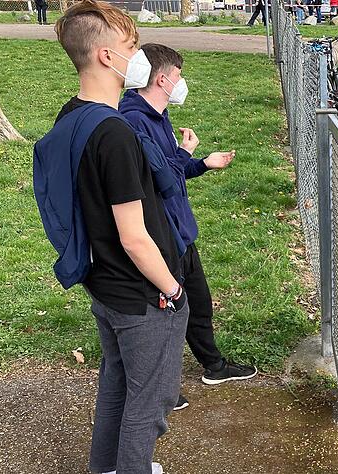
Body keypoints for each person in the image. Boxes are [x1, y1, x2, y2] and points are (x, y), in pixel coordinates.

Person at [52, 1, 187, 472]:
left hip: (102, 283)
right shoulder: (115, 134)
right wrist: (171, 289)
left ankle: (105, 468)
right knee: (149, 404)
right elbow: (135, 237)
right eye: (131, 47)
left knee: (116, 385)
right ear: (107, 56)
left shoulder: (72, 117)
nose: (139, 58)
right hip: (140, 293)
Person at [119, 43, 258, 412]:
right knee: (168, 313)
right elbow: (164, 179)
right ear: (162, 79)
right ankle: (163, 387)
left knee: (197, 301)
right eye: (179, 75)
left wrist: (201, 164)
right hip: (160, 236)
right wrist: (186, 152)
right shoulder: (133, 121)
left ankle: (213, 365)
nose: (182, 82)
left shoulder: (157, 115)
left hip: (181, 230)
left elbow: (172, 171)